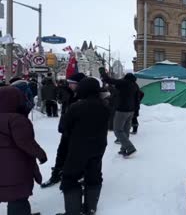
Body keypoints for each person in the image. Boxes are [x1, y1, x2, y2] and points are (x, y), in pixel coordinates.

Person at [57, 78, 109, 215]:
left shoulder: (76, 107)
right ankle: (90, 208)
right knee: (94, 175)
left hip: (77, 148)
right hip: (98, 147)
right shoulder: (104, 106)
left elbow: (63, 128)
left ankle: (73, 212)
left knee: (70, 178)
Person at [0, 86, 47, 215]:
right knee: (17, 197)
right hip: (16, 168)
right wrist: (41, 154)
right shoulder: (17, 120)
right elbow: (26, 142)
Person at [41, 73, 86, 188]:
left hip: (78, 133)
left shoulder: (84, 97)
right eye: (69, 83)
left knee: (76, 155)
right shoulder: (70, 94)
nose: (70, 85)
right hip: (67, 131)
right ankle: (57, 174)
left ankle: (79, 175)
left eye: (72, 83)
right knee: (61, 153)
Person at [99, 68, 139, 157]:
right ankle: (123, 149)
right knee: (125, 130)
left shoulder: (124, 82)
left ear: (125, 76)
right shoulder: (135, 85)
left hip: (122, 110)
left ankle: (130, 148)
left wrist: (102, 72)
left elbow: (109, 80)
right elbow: (138, 98)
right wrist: (136, 111)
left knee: (117, 130)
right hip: (131, 111)